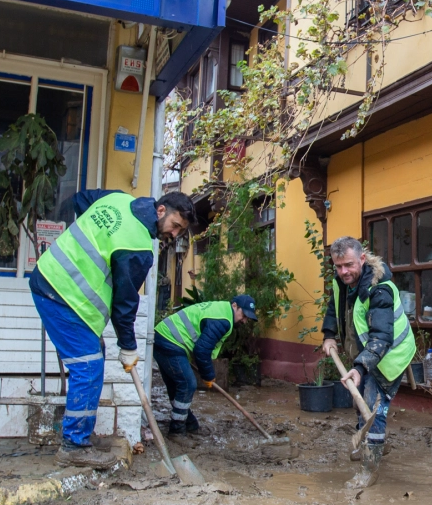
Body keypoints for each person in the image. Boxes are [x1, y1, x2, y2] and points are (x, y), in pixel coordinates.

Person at [29, 188, 194, 465]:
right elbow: (124, 305)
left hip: (51, 279)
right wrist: (128, 346)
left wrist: (97, 238)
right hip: (61, 294)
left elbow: (79, 199)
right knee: (88, 367)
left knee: (93, 357)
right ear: (161, 210)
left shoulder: (117, 199)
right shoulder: (138, 248)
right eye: (175, 226)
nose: (174, 235)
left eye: (180, 231)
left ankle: (79, 435)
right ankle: (73, 447)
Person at [322, 236, 416, 473]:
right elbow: (335, 306)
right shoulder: (342, 281)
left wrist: (360, 368)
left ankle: (369, 469)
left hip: (389, 355)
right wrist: (329, 334)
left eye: (349, 265)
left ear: (362, 259)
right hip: (367, 353)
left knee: (374, 405)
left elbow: (382, 337)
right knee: (360, 400)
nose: (344, 271)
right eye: (339, 266)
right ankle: (371, 443)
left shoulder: (380, 288)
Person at [152, 294, 259, 434]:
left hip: (163, 336)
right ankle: (177, 431)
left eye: (247, 318)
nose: (244, 321)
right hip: (170, 341)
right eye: (243, 315)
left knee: (176, 385)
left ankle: (190, 424)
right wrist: (208, 375)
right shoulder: (223, 321)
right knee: (188, 384)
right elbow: (201, 351)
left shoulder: (222, 310)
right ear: (234, 306)